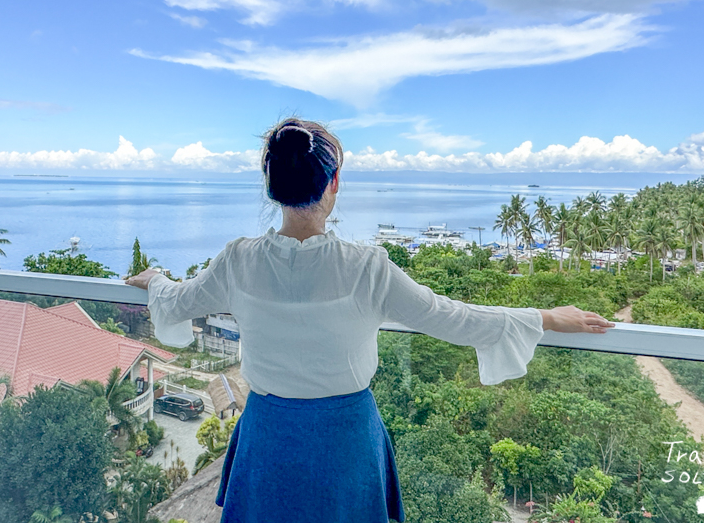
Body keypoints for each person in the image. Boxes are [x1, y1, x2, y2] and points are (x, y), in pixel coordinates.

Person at [126, 117, 614, 523]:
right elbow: (454, 318)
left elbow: (177, 302)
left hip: (269, 436)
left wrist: (155, 279)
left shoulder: (239, 261)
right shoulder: (365, 268)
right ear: (333, 184)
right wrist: (545, 317)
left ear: (271, 187)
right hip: (346, 441)